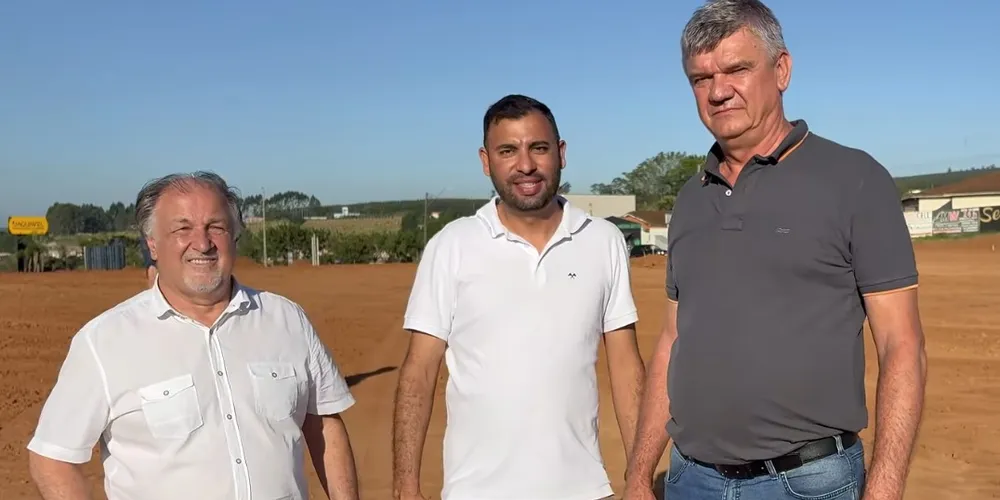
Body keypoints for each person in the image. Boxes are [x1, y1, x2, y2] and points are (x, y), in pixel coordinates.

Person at [623, 1, 928, 499]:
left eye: (737, 69)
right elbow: (672, 342)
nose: (718, 91)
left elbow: (903, 346)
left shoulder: (854, 180)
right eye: (701, 79)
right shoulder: (691, 197)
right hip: (690, 480)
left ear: (781, 69)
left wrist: (885, 489)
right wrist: (639, 475)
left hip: (807, 482)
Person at [26, 172, 361, 500]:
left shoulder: (287, 320)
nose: (202, 243)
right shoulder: (103, 341)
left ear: (234, 237)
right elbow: (51, 458)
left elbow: (323, 424)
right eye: (182, 228)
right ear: (153, 244)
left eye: (216, 227)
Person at [392, 94, 646, 500]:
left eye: (538, 148)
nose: (525, 165)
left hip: (583, 490)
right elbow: (419, 372)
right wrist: (405, 486)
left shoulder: (604, 241)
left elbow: (625, 365)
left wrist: (640, 477)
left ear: (560, 153)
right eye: (507, 150)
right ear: (485, 160)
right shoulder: (452, 246)